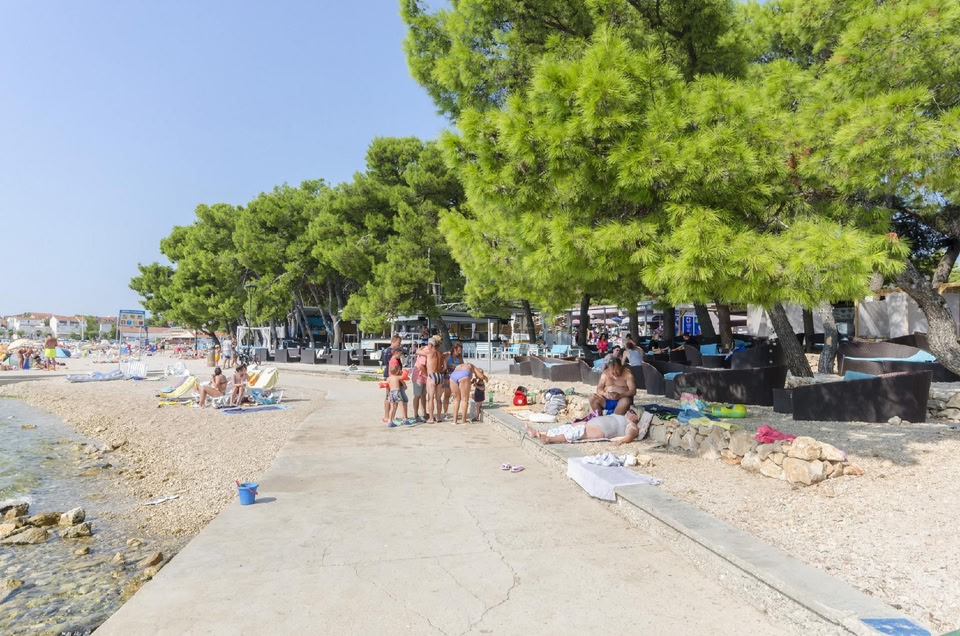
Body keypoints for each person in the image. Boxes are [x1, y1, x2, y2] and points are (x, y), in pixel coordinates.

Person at [525, 407, 642, 445]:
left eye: (632, 412)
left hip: (598, 430)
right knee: (566, 427)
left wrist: (620, 442)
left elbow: (630, 436)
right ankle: (537, 433)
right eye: (629, 410)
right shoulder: (620, 416)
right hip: (590, 424)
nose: (628, 411)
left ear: (637, 418)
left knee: (573, 433)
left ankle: (550, 439)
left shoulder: (631, 425)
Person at [417, 336, 443, 423]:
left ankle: (431, 418)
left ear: (431, 345)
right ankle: (438, 417)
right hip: (439, 375)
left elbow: (417, 351)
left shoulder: (429, 352)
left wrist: (422, 347)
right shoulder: (439, 353)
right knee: (438, 399)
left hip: (431, 375)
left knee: (430, 398)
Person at [381, 335, 403, 424]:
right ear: (393, 341)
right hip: (390, 375)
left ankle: (390, 417)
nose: (399, 344)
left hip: (393, 375)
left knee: (392, 397)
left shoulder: (393, 351)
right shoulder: (389, 351)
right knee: (389, 396)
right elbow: (389, 364)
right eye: (398, 342)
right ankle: (387, 416)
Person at [449, 360, 479, 425]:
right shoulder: (471, 365)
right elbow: (480, 376)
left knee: (456, 399)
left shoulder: (458, 366)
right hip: (464, 375)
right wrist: (484, 378)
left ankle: (454, 420)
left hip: (453, 376)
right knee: (464, 399)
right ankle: (463, 420)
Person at [442, 343, 465, 421]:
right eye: (458, 350)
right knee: (447, 395)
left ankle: (456, 413)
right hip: (448, 377)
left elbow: (462, 366)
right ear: (454, 349)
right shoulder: (448, 356)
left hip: (456, 378)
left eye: (460, 350)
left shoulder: (460, 357)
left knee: (457, 396)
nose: (459, 352)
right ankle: (445, 413)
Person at [385, 360, 412, 426]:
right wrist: (404, 373)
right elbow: (406, 380)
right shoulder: (398, 377)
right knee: (401, 406)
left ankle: (390, 421)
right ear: (397, 371)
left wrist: (387, 394)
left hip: (391, 393)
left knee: (392, 408)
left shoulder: (388, 378)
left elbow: (387, 386)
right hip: (397, 392)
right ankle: (405, 419)